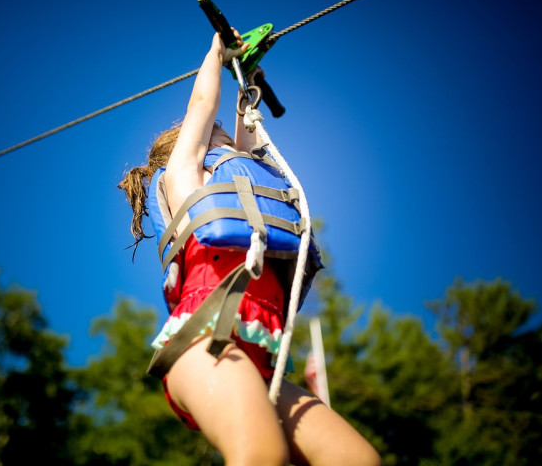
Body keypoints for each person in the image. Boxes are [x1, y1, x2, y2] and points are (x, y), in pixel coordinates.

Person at [118, 31, 381, 466]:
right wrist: (217, 52)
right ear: (197, 144)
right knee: (261, 455)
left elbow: (249, 143)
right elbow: (202, 107)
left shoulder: (240, 174)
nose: (223, 129)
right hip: (206, 340)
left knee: (357, 460)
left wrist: (248, 83)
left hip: (263, 361)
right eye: (218, 131)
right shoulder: (186, 176)